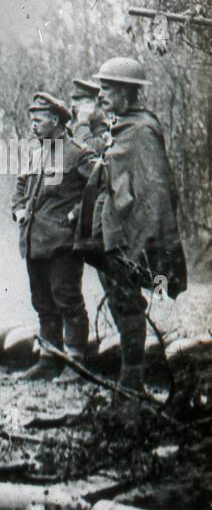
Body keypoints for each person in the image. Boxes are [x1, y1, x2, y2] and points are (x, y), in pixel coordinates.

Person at [74, 56, 186, 397]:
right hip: (110, 232)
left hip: (130, 234)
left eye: (108, 89)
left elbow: (156, 189)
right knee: (119, 300)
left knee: (128, 301)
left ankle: (132, 380)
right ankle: (130, 378)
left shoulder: (142, 130)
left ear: (127, 91)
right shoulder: (120, 126)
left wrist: (144, 241)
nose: (101, 95)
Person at [12, 92, 91, 382]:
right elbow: (20, 187)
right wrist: (18, 209)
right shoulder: (35, 153)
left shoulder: (77, 153)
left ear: (56, 120)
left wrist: (76, 216)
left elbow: (99, 187)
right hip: (33, 241)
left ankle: (75, 361)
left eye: (39, 120)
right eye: (31, 120)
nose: (33, 125)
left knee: (67, 299)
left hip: (62, 243)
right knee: (42, 302)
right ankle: (48, 358)